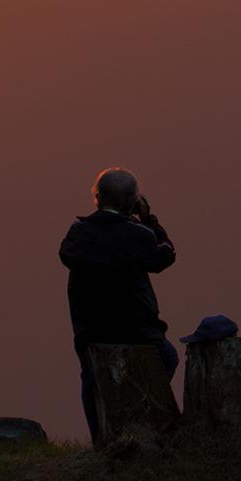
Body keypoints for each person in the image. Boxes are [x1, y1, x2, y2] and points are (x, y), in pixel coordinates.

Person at [59, 166, 176, 445]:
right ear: (132, 201)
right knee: (168, 358)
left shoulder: (78, 233)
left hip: (90, 328)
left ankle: (101, 439)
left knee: (91, 377)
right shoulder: (140, 235)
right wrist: (151, 220)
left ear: (97, 197)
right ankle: (136, 422)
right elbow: (165, 256)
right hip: (137, 330)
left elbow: (65, 254)